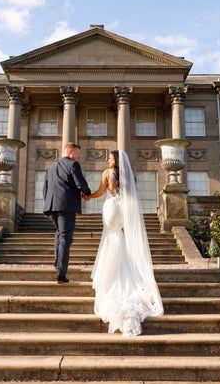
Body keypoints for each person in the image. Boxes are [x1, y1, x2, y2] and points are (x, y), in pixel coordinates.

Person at [83, 150, 163, 336]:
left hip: (111, 207)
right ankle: (122, 268)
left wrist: (87, 197)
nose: (108, 160)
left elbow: (102, 192)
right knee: (119, 235)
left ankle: (109, 275)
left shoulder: (107, 173)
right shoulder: (127, 176)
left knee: (111, 236)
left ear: (114, 161)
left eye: (110, 158)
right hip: (123, 209)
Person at [43, 142, 92, 283]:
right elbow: (80, 183)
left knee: (59, 233)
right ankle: (61, 274)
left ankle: (57, 261)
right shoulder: (73, 165)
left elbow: (45, 189)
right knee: (65, 237)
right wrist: (87, 193)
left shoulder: (51, 168)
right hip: (66, 207)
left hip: (51, 207)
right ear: (70, 152)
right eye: (77, 153)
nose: (78, 157)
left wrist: (48, 204)